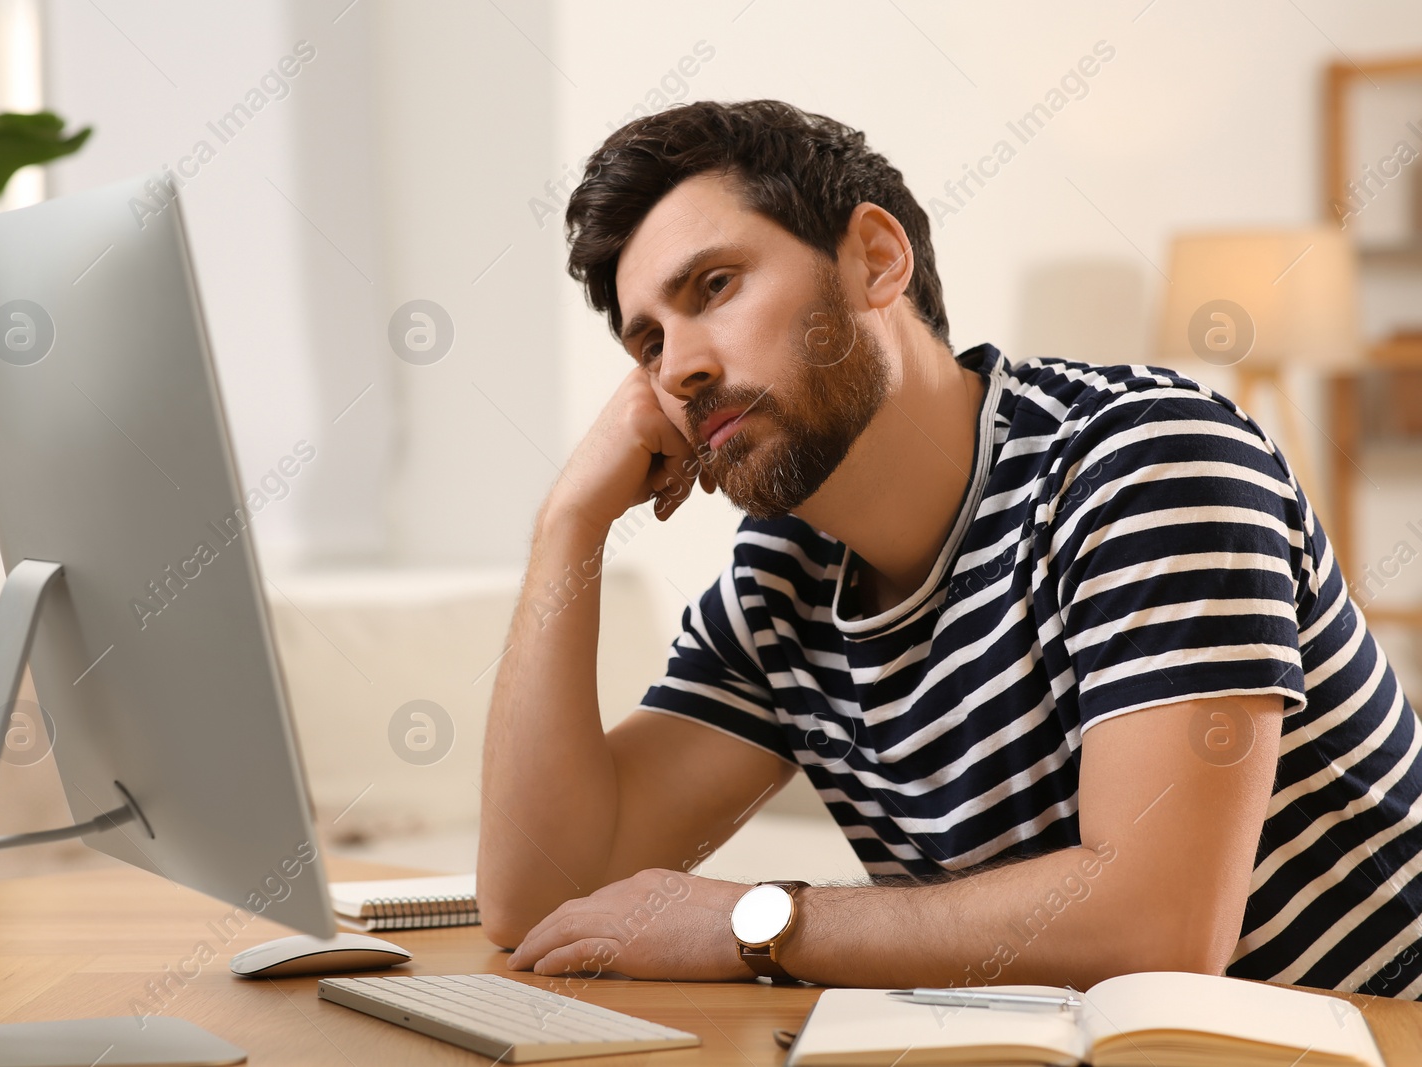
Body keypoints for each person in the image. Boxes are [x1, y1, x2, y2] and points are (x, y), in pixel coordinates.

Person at [478, 99, 1422, 995]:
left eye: (714, 286)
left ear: (876, 260)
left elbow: (1159, 927)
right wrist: (571, 524)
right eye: (648, 343)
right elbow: (537, 896)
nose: (677, 368)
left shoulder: (1145, 462)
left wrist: (752, 923)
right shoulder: (783, 583)